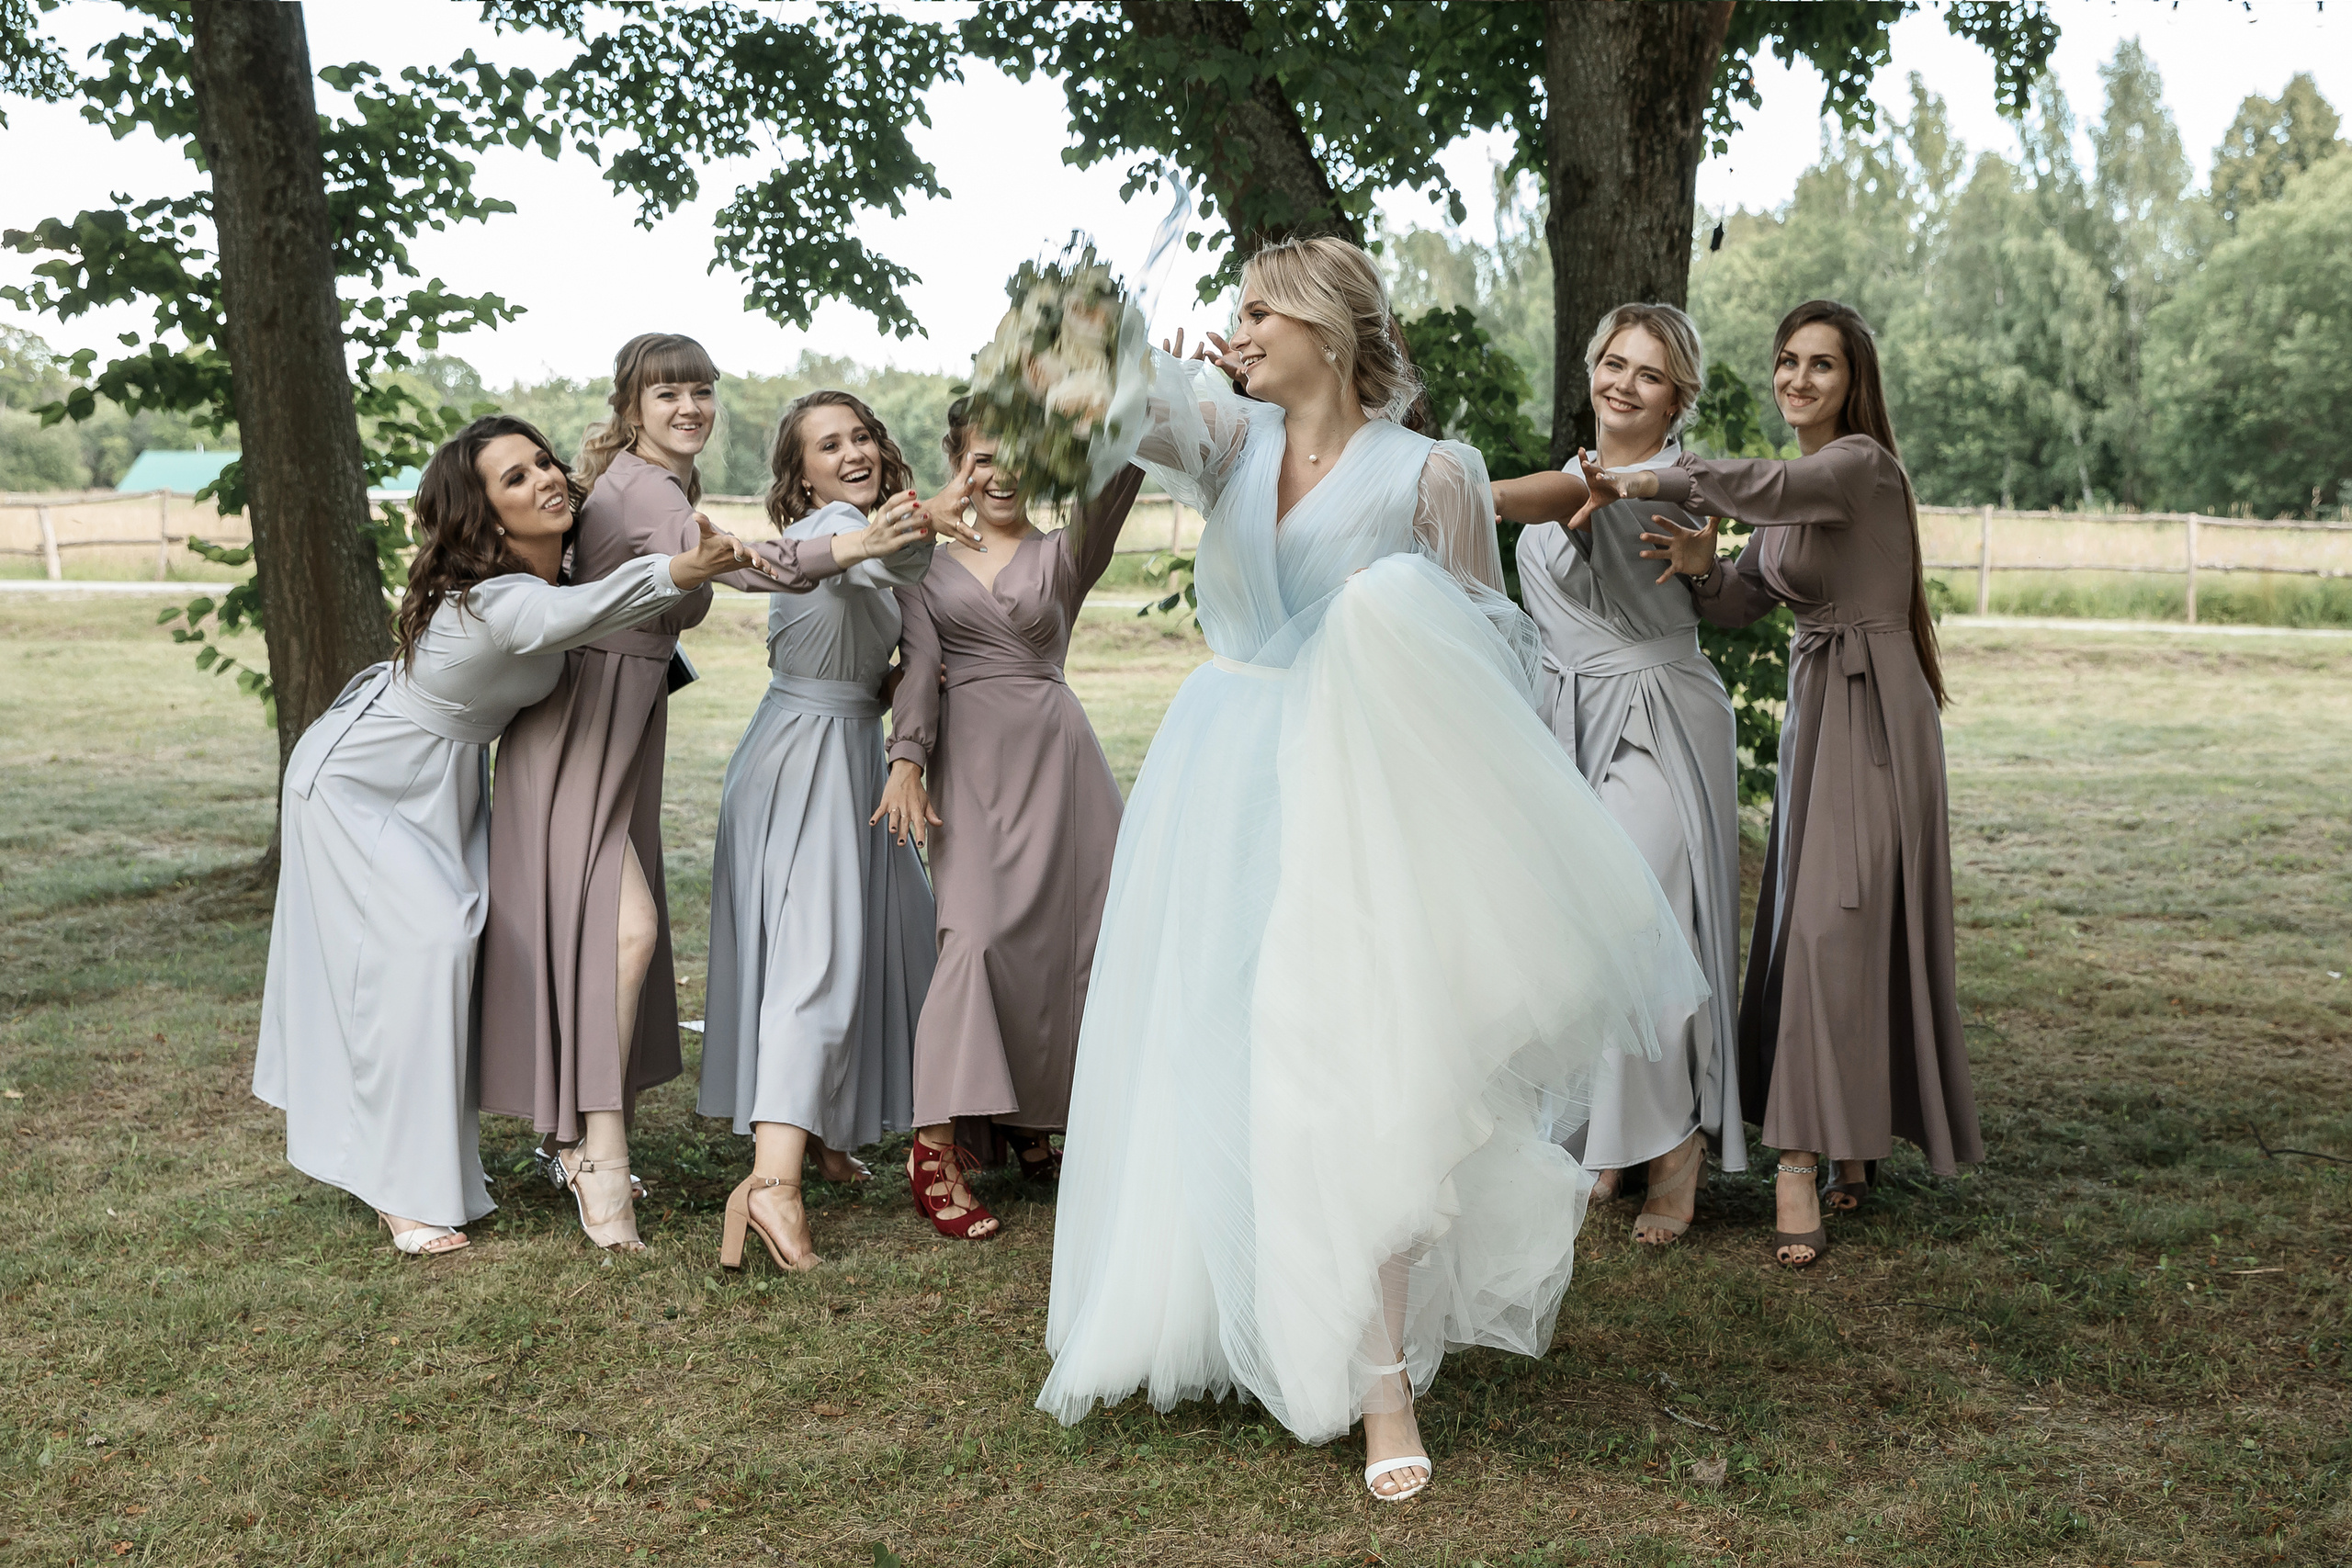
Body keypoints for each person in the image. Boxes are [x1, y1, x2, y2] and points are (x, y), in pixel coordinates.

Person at [1035, 237, 1704, 1502]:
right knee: (1212, 1046)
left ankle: (1383, 1374)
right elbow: (1090, 393)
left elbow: (1476, 650)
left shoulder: (1433, 474)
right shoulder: (1223, 437)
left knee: (1362, 1070)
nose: (1238, 332)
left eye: (1260, 314)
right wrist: (1106, 334)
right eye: (1232, 313)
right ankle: (1209, 1305)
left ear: (1330, 332)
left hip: (1358, 792)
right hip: (1220, 773)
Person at [254, 415, 783, 1257]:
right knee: (428, 949)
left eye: (543, 461)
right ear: (484, 515)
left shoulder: (550, 567)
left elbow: (599, 605)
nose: (543, 478)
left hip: (444, 782)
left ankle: (469, 1147)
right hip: (361, 784)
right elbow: (578, 613)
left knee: (451, 946)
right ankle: (398, 1184)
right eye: (513, 478)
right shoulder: (496, 597)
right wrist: (682, 566)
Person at [478, 333, 933, 1252]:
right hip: (586, 716)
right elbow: (766, 562)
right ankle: (585, 1151)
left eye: (701, 391)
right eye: (667, 393)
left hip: (629, 713)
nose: (689, 407)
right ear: (631, 406)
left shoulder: (660, 486)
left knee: (609, 929)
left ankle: (599, 1137)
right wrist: (866, 538)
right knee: (619, 930)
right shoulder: (645, 489)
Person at [1606, 298, 1982, 1269]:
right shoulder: (1797, 504)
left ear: (1852, 383)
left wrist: (1666, 475)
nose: (1798, 380)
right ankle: (1852, 1142)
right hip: (1820, 714)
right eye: (1786, 362)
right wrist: (1697, 566)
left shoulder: (1856, 468)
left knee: (1830, 926)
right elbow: (1741, 599)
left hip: (1877, 717)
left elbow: (1770, 488)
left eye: (1820, 365)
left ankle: (1798, 1158)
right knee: (1817, 923)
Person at [699, 390, 978, 1271]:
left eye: (861, 435)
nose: (851, 451)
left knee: (884, 938)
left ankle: (818, 1133)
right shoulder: (839, 529)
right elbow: (888, 564)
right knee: (816, 957)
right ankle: (773, 1185)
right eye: (829, 444)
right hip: (806, 754)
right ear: (803, 472)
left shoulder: (855, 531)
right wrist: (922, 517)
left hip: (840, 746)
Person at [1487, 303, 1746, 1246]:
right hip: (1566, 719)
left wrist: (1444, 487)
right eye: (1612, 363)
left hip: (1654, 721)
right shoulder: (1571, 473)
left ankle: (1673, 1147)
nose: (1622, 383)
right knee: (1580, 935)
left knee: (1643, 924)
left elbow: (1562, 505)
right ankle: (1608, 1138)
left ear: (1678, 398)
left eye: (1648, 373)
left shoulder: (1667, 488)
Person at [873, 404, 1145, 1242]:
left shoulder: (1062, 551)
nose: (1003, 473)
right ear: (957, 462)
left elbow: (1111, 490)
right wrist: (907, 761)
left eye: (1023, 456)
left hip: (1061, 763)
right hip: (972, 765)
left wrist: (1127, 404)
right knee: (977, 936)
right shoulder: (924, 564)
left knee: (1075, 945)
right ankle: (935, 1147)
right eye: (986, 457)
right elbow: (920, 667)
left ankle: (1037, 1122)